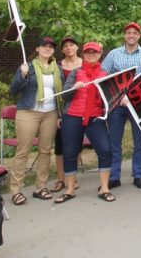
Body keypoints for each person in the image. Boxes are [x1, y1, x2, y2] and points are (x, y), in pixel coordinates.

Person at [55, 41, 115, 203]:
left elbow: (109, 99)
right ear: (83, 55)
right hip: (72, 116)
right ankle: (69, 190)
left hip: (95, 117)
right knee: (70, 152)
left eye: (94, 53)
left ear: (99, 55)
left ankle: (104, 188)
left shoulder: (104, 74)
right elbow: (64, 96)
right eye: (88, 53)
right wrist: (74, 87)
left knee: (105, 149)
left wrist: (119, 99)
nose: (91, 55)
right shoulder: (76, 73)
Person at [8, 36, 63, 205]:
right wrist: (22, 75)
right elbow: (13, 90)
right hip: (28, 112)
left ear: (53, 50)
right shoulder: (28, 67)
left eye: (51, 46)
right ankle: (16, 190)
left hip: (50, 113)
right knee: (23, 151)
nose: (47, 48)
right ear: (37, 49)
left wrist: (60, 114)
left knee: (45, 151)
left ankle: (41, 187)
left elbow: (61, 93)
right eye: (44, 46)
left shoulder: (57, 69)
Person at [101, 22, 141, 189]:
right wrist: (117, 96)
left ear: (139, 36)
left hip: (138, 103)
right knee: (115, 141)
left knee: (139, 141)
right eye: (129, 33)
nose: (132, 35)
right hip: (117, 104)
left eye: (135, 33)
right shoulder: (113, 54)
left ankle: (138, 175)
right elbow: (102, 76)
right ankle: (114, 177)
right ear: (124, 35)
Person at [52, 36, 82, 193]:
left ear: (77, 47)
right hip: (63, 110)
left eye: (72, 45)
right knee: (60, 146)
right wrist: (58, 114)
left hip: (80, 109)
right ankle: (60, 179)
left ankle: (73, 177)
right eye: (66, 46)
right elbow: (56, 92)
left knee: (75, 145)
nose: (69, 47)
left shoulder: (85, 64)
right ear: (62, 50)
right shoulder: (57, 67)